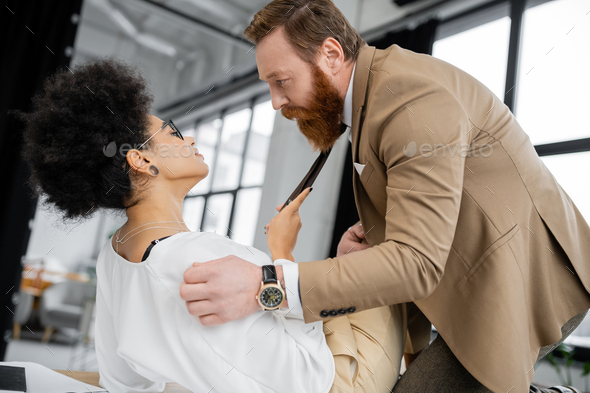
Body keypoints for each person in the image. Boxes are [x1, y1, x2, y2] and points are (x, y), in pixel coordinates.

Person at [179, 1, 590, 392]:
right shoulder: (372, 99)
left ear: (331, 54)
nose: (275, 102)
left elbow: (417, 262)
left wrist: (264, 284)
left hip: (531, 285)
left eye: (281, 81)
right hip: (473, 283)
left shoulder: (409, 98)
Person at [18, 58, 405, 392]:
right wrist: (282, 255)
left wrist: (326, 267)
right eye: (171, 131)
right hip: (335, 381)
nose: (188, 137)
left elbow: (123, 384)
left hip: (319, 352)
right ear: (140, 161)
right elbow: (304, 379)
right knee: (405, 253)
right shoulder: (194, 255)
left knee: (363, 263)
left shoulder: (115, 254)